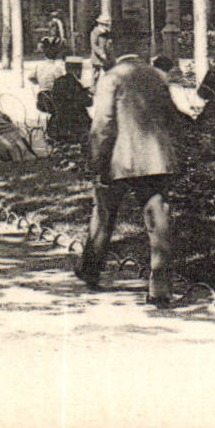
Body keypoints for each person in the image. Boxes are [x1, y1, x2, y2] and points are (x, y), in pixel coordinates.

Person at [77, 28, 182, 306]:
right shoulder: (156, 76)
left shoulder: (111, 78)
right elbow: (172, 117)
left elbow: (103, 126)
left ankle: (91, 270)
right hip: (156, 158)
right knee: (157, 218)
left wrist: (97, 161)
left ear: (113, 45)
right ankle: (159, 286)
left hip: (120, 159)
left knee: (104, 212)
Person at [34, 44, 91, 149]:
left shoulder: (59, 81)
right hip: (74, 125)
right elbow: (88, 102)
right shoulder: (75, 84)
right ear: (77, 70)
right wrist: (87, 92)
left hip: (56, 125)